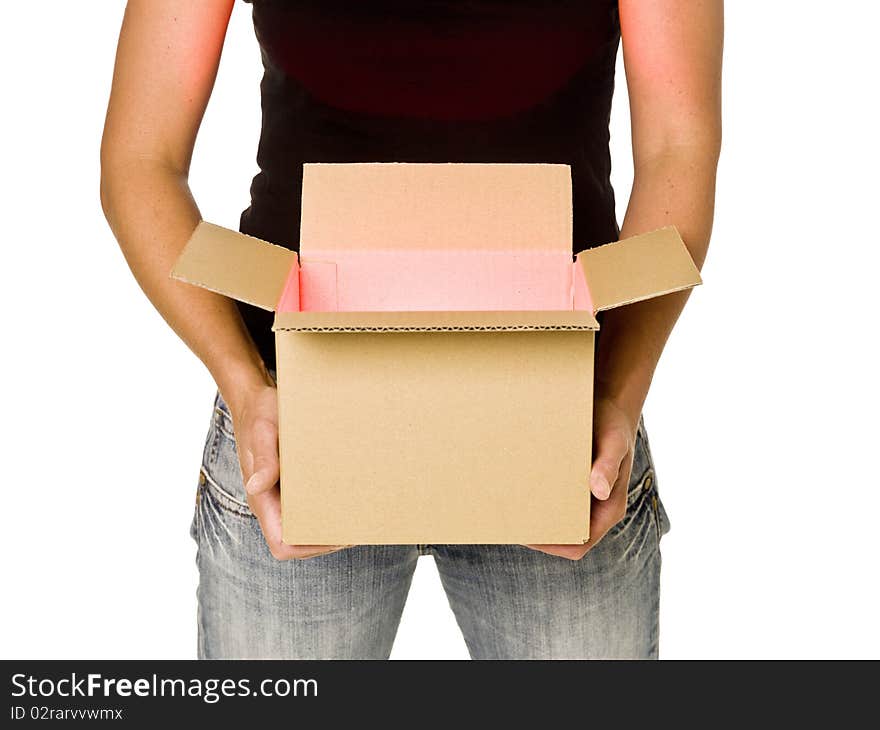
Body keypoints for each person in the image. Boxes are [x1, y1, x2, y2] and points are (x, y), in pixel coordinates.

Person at [100, 0, 722, 659]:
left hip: (560, 413)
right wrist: (245, 384)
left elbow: (675, 151)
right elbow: (141, 159)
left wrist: (617, 399)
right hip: (294, 416)